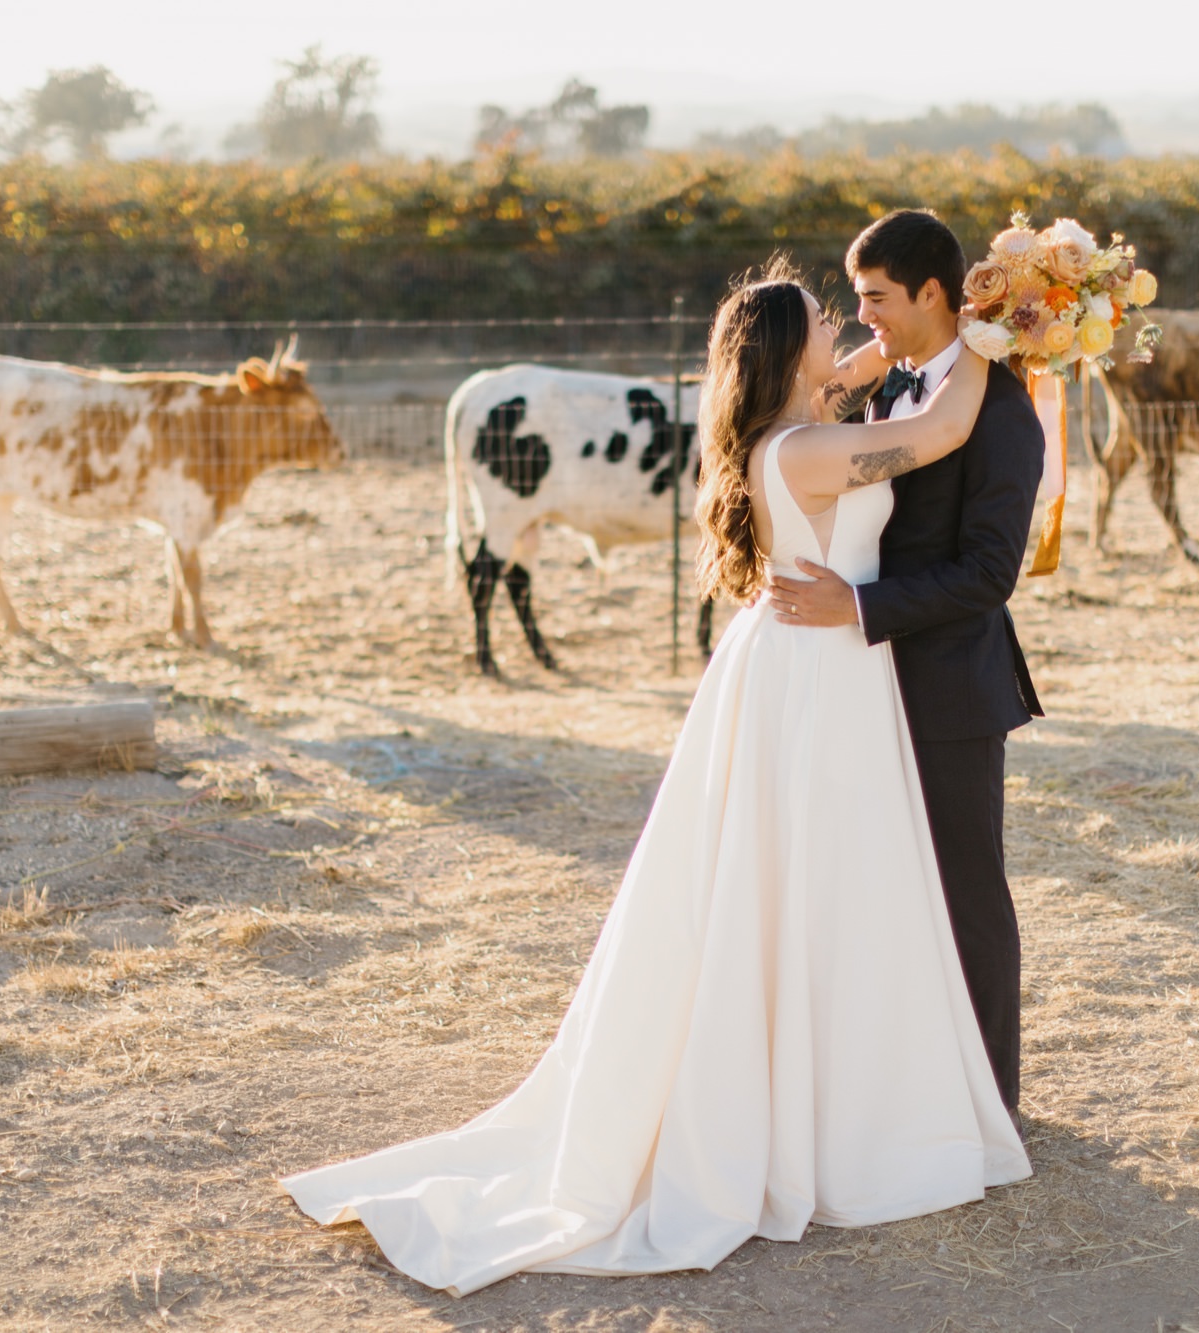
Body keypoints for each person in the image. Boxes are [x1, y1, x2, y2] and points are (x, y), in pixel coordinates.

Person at [280, 262, 1031, 1298]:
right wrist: (994, 334)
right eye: (822, 319)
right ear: (785, 353)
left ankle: (811, 1084)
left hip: (800, 666)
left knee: (792, 884)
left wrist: (908, 342)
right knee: (812, 881)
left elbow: (859, 375)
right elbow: (941, 432)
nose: (839, 328)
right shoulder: (809, 449)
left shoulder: (790, 431)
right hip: (818, 681)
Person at [772, 209, 1045, 1124]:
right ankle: (916, 1081)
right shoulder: (894, 395)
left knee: (967, 896)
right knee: (889, 895)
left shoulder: (1001, 407)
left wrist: (857, 609)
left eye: (878, 298)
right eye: (853, 301)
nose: (865, 318)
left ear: (934, 292)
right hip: (866, 687)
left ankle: (990, 1105)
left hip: (950, 691)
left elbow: (988, 572)